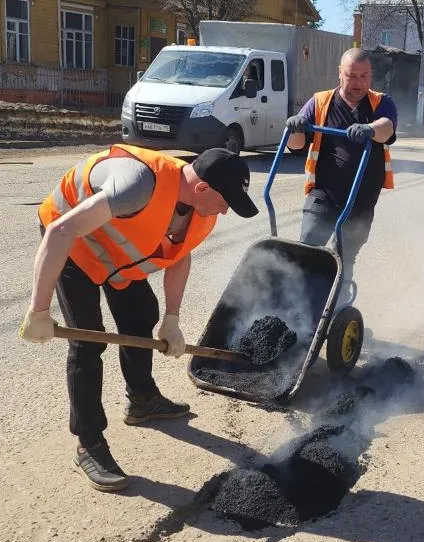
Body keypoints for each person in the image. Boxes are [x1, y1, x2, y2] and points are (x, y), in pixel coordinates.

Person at [19, 146, 258, 492]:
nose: (225, 210)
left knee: (142, 313)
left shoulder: (198, 206)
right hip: (71, 243)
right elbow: (60, 232)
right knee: (88, 340)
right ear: (203, 189)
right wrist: (38, 310)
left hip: (112, 251)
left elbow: (179, 254)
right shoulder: (137, 185)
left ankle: (142, 399)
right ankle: (89, 444)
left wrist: (172, 318)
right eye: (226, 202)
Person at [285, 48, 398, 303]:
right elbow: (295, 145)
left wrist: (369, 129)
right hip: (324, 192)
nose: (358, 83)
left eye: (363, 76)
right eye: (351, 76)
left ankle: (336, 311)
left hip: (361, 198)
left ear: (370, 76)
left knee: (344, 257)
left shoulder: (381, 102)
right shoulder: (320, 101)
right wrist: (295, 126)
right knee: (308, 248)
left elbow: (387, 128)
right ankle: (299, 306)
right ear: (340, 73)